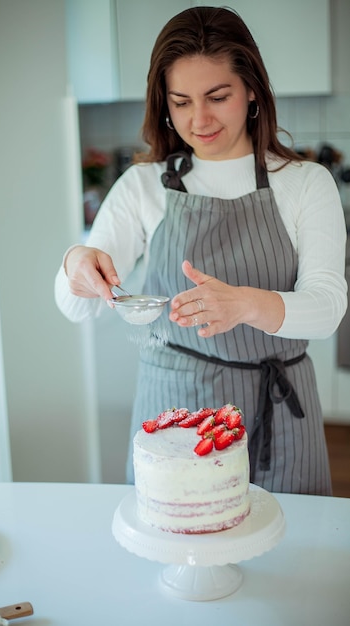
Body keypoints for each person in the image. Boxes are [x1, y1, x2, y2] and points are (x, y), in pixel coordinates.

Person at [55, 6, 347, 494]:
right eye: (181, 101)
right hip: (175, 415)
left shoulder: (304, 183)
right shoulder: (142, 186)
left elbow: (328, 308)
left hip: (275, 412)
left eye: (217, 96)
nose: (200, 119)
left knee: (291, 561)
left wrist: (245, 303)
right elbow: (74, 306)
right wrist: (75, 263)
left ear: (252, 89)